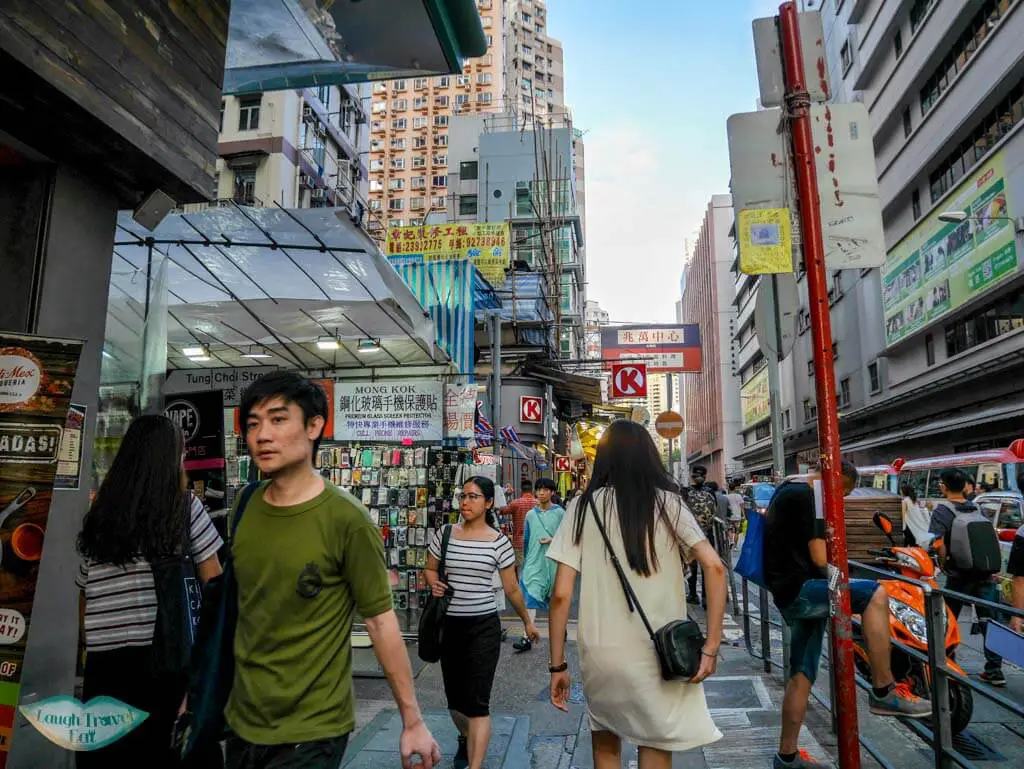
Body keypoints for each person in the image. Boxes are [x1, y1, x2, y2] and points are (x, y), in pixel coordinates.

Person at [226, 371, 440, 769]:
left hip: (313, 730)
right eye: (253, 423)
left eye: (277, 419)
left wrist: (413, 720)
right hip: (242, 722)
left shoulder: (348, 520)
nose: (261, 435)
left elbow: (381, 622)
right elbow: (238, 609)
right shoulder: (244, 507)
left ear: (314, 426)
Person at [547, 420, 725, 769]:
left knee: (605, 746)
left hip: (601, 654)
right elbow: (715, 567)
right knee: (655, 742)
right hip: (658, 653)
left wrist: (557, 665)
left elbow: (560, 595)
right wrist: (711, 646)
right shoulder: (668, 504)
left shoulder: (583, 507)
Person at [75, 415, 224, 769]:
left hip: (104, 670)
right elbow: (215, 587)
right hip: (164, 665)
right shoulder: (184, 509)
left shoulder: (97, 520)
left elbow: (85, 598)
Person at [764, 461, 931, 769]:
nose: (840, 500)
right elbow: (818, 557)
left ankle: (786, 757)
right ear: (836, 479)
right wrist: (842, 574)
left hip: (788, 590)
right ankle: (884, 688)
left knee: (802, 674)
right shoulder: (812, 494)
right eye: (844, 492)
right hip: (803, 589)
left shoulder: (786, 488)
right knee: (874, 593)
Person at [426, 476, 540, 769]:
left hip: (484, 628)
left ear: (489, 503)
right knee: (455, 701)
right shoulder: (446, 533)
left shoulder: (499, 542)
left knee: (478, 702)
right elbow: (430, 569)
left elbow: (512, 588)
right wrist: (435, 583)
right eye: (463, 496)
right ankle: (465, 736)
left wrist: (527, 621)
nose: (465, 502)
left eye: (473, 497)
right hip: (450, 626)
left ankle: (475, 765)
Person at [928, 468, 1006, 687]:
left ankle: (948, 661)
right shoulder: (978, 507)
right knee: (990, 621)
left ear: (943, 486)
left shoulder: (942, 510)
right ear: (965, 487)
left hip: (958, 575)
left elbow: (938, 544)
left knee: (948, 619)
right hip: (985, 573)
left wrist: (941, 565)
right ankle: (994, 669)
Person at [513, 477, 565, 653]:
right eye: (539, 489)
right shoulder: (530, 515)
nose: (541, 492)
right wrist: (527, 561)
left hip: (554, 561)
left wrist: (552, 540)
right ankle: (527, 636)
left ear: (552, 492)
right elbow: (526, 539)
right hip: (534, 562)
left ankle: (560, 628)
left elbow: (567, 537)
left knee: (556, 598)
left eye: (545, 489)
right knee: (530, 597)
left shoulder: (560, 513)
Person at [682, 466, 717, 606]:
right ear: (705, 477)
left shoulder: (685, 492)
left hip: (691, 535)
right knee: (707, 567)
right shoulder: (710, 492)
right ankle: (706, 598)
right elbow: (715, 512)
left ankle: (692, 594)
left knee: (692, 565)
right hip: (707, 535)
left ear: (692, 477)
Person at [502, 480, 536, 569]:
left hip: (518, 542)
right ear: (532, 489)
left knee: (519, 570)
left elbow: (502, 511)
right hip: (535, 543)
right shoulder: (538, 504)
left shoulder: (515, 503)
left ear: (521, 490)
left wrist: (506, 495)